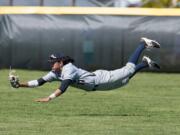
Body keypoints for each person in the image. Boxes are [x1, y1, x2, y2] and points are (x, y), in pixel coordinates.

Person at [9, 37, 160, 102]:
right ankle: (145, 63)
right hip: (97, 86)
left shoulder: (69, 69)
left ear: (61, 62)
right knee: (125, 80)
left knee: (127, 70)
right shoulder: (56, 72)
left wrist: (49, 98)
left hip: (99, 79)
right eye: (51, 62)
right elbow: (40, 81)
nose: (51, 64)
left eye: (54, 62)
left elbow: (64, 86)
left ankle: (142, 44)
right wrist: (20, 84)